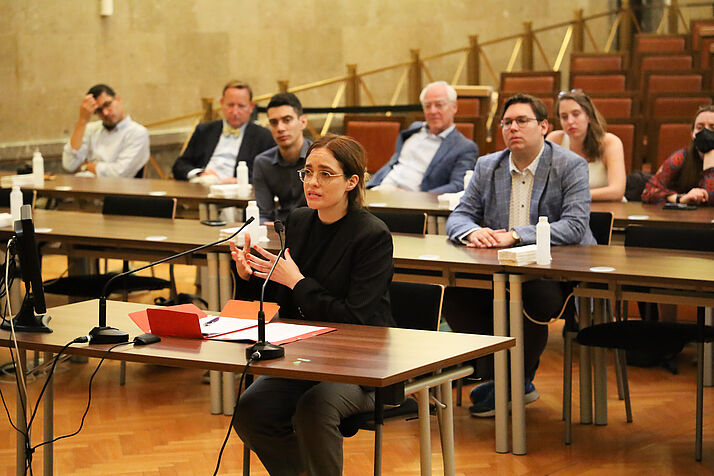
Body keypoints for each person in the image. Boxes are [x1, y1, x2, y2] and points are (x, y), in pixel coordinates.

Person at [230, 134, 394, 476]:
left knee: (314, 407)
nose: (313, 182)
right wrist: (249, 278)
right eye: (307, 172)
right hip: (307, 355)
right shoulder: (301, 221)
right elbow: (280, 302)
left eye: (325, 174)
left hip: (364, 365)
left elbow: (356, 318)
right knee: (251, 408)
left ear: (352, 181)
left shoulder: (372, 235)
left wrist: (296, 281)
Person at [445, 93, 595, 417]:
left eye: (522, 121)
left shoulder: (570, 165)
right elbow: (458, 216)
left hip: (553, 272)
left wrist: (515, 235)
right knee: (456, 296)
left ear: (543, 126)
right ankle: (505, 379)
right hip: (501, 269)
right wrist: (472, 231)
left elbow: (574, 225)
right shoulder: (488, 165)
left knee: (531, 297)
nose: (513, 128)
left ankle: (513, 382)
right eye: (507, 122)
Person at [367, 80, 478, 193]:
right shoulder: (414, 130)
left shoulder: (464, 147)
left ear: (454, 107)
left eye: (439, 105)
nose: (433, 111)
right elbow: (394, 162)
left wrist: (418, 198)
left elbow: (458, 185)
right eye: (427, 106)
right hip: (378, 190)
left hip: (413, 202)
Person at [172, 80, 274, 183]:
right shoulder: (204, 130)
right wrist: (200, 173)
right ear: (222, 103)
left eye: (241, 106)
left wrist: (240, 181)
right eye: (230, 105)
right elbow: (180, 165)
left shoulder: (264, 137)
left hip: (237, 193)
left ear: (251, 107)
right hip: (202, 187)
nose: (235, 112)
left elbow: (270, 175)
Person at [546, 90, 626, 201]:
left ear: (588, 116)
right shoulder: (554, 140)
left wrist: (573, 195)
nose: (570, 121)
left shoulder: (610, 142)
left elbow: (617, 191)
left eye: (576, 114)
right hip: (567, 209)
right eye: (564, 117)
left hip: (606, 209)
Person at [62, 84, 149, 178]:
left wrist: (85, 166)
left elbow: (118, 173)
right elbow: (69, 165)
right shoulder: (90, 129)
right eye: (99, 110)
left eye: (107, 104)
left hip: (120, 190)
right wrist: (82, 121)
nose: (105, 113)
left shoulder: (137, 132)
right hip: (86, 188)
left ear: (118, 99)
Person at [253, 93, 311, 224]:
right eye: (274, 122)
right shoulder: (263, 162)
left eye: (287, 120)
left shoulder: (320, 158)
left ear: (303, 122)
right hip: (279, 229)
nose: (280, 128)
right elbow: (263, 214)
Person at [642, 104, 714, 205]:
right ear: (692, 134)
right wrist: (680, 198)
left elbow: (709, 199)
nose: (705, 132)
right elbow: (648, 192)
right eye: (700, 127)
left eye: (713, 128)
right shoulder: (682, 157)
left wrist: (710, 168)